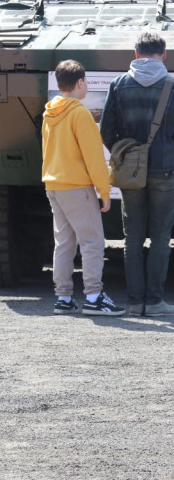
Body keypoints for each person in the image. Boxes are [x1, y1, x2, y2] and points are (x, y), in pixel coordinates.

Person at [100, 32, 174, 316]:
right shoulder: (171, 85)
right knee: (159, 236)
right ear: (163, 54)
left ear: (136, 53)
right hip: (165, 171)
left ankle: (133, 302)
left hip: (130, 172)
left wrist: (124, 155)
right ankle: (155, 302)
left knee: (131, 237)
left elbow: (106, 131)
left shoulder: (119, 84)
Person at [43, 60, 124, 316]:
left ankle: (64, 297)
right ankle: (93, 296)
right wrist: (104, 190)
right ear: (80, 83)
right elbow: (93, 157)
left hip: (53, 184)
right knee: (92, 243)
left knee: (64, 243)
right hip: (77, 186)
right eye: (86, 82)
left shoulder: (49, 112)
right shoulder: (80, 114)